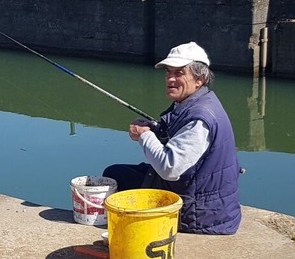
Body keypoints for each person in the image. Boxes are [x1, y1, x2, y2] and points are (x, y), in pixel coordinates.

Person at [102, 42, 242, 235]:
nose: (170, 79)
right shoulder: (198, 101)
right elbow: (179, 137)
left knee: (117, 177)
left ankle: (126, 232)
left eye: (179, 73)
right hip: (195, 191)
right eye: (168, 72)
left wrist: (144, 135)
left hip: (199, 213)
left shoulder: (200, 118)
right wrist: (155, 129)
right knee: (115, 172)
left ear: (199, 79)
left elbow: (169, 168)